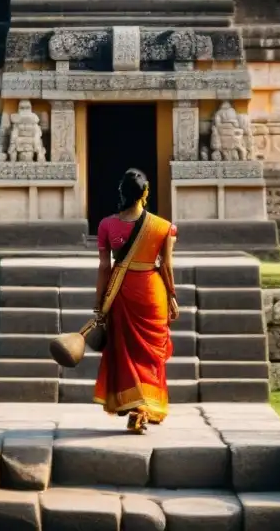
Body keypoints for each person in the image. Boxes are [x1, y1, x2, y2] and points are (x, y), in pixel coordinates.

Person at [92, 168, 180, 434]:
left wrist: (99, 304)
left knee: (126, 352)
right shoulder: (164, 227)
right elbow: (166, 266)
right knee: (150, 355)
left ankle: (136, 407)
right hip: (153, 293)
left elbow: (104, 268)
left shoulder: (106, 225)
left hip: (121, 292)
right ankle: (146, 408)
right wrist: (173, 296)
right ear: (145, 193)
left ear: (122, 194)